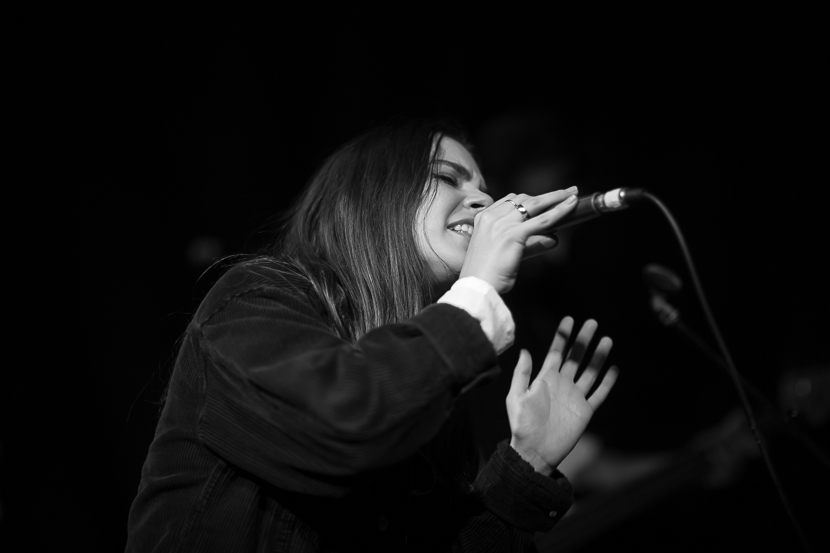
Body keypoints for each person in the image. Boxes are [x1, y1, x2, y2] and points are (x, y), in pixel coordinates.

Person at [126, 120, 619, 552]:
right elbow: (345, 424)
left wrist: (527, 463)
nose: (484, 201)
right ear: (373, 196)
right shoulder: (257, 297)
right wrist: (479, 290)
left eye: (483, 187)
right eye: (448, 177)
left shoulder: (428, 389)